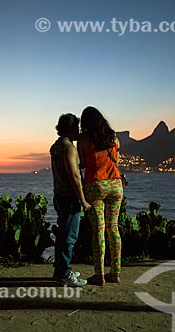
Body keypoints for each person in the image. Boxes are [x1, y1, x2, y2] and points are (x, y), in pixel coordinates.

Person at [77, 106, 124, 286]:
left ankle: (100, 275)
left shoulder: (83, 138)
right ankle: (116, 273)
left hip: (95, 184)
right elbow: (116, 161)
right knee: (114, 228)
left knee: (98, 231)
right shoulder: (113, 137)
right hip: (116, 184)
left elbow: (81, 163)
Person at [50, 113, 91, 287]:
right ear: (72, 129)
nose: (79, 131)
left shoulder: (56, 146)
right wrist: (83, 199)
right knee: (69, 236)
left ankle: (60, 270)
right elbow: (74, 176)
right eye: (77, 128)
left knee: (63, 235)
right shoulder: (68, 148)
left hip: (59, 195)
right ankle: (65, 274)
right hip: (69, 197)